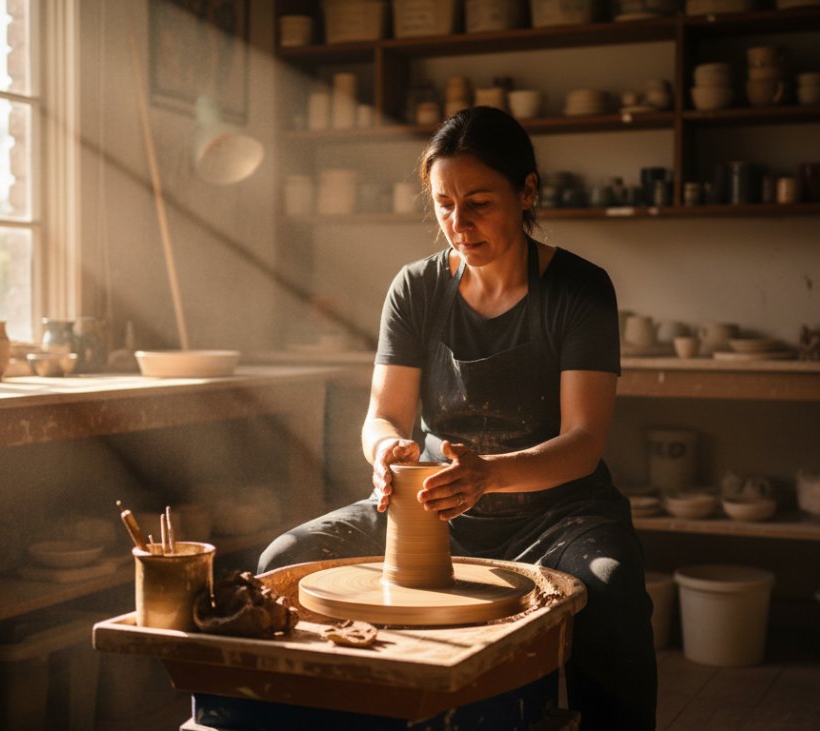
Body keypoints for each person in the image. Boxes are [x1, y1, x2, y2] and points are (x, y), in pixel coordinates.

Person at [258, 106, 657, 729]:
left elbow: (584, 441)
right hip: (434, 507)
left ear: (527, 192)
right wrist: (387, 449)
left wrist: (488, 475)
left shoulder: (580, 288)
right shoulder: (415, 289)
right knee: (283, 559)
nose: (458, 224)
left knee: (611, 590)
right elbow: (382, 416)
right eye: (443, 203)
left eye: (478, 203)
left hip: (559, 514)